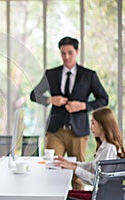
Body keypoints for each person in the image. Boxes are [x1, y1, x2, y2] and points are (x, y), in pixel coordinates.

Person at [30, 36, 108, 189]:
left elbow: (104, 99)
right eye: (63, 53)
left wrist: (83, 105)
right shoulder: (51, 74)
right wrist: (50, 100)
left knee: (77, 177)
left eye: (70, 53)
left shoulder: (89, 75)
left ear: (77, 51)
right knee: (51, 169)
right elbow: (34, 95)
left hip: (78, 132)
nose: (66, 57)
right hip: (55, 131)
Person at [54, 107, 125, 200]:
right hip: (100, 193)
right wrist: (71, 164)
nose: (91, 127)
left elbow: (100, 180)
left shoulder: (109, 148)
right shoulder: (105, 145)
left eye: (93, 123)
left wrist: (75, 168)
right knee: (63, 193)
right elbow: (93, 167)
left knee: (61, 196)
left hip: (103, 196)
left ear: (102, 125)